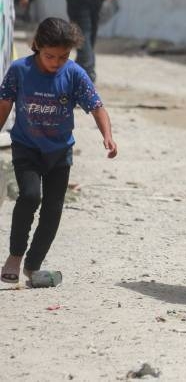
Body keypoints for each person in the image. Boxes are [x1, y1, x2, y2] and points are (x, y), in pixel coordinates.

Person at [0, 17, 118, 286]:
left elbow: (97, 106)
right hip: (26, 147)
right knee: (30, 197)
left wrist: (107, 136)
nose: (56, 63)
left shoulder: (74, 73)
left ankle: (33, 265)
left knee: (53, 210)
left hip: (59, 152)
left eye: (63, 57)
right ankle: (15, 257)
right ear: (37, 47)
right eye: (50, 56)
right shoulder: (20, 70)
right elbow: (4, 104)